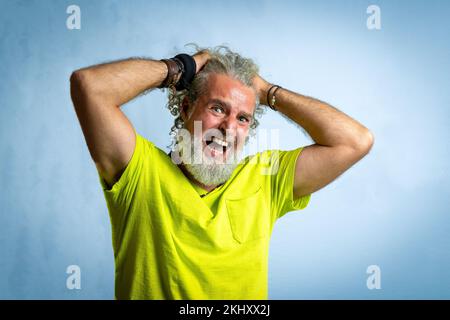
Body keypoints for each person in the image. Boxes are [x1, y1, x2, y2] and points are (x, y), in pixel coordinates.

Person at [70, 45, 374, 299]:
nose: (229, 128)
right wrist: (181, 67)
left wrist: (267, 91)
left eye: (243, 118)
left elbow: (355, 141)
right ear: (187, 107)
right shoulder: (139, 170)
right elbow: (90, 87)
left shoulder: (266, 178)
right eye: (217, 108)